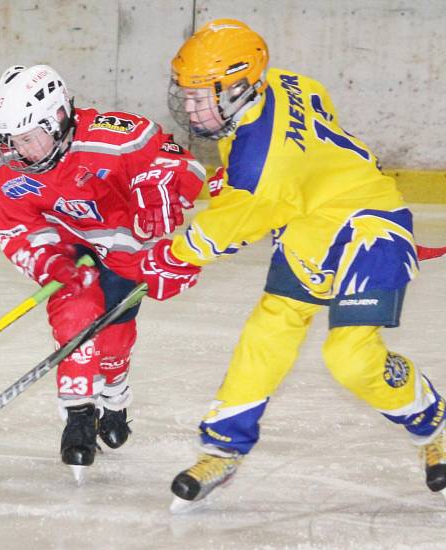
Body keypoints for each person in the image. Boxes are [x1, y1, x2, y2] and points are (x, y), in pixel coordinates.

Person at [138, 19, 444, 509]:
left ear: (240, 88)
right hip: (311, 221)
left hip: (371, 227)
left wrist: (172, 255)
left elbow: (232, 224)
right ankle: (223, 448)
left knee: (349, 356)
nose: (190, 107)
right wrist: (252, 191)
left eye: (203, 95)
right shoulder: (283, 81)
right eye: (188, 93)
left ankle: (431, 420)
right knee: (269, 329)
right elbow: (283, 163)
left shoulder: (262, 166)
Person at [0, 64, 205, 479]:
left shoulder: (118, 136)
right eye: (9, 141)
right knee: (75, 316)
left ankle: (115, 393)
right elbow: (16, 231)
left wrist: (165, 183)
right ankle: (79, 416)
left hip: (124, 247)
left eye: (28, 139)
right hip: (70, 246)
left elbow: (190, 171)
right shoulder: (9, 171)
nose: (18, 151)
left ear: (58, 119)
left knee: (115, 335)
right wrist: (50, 260)